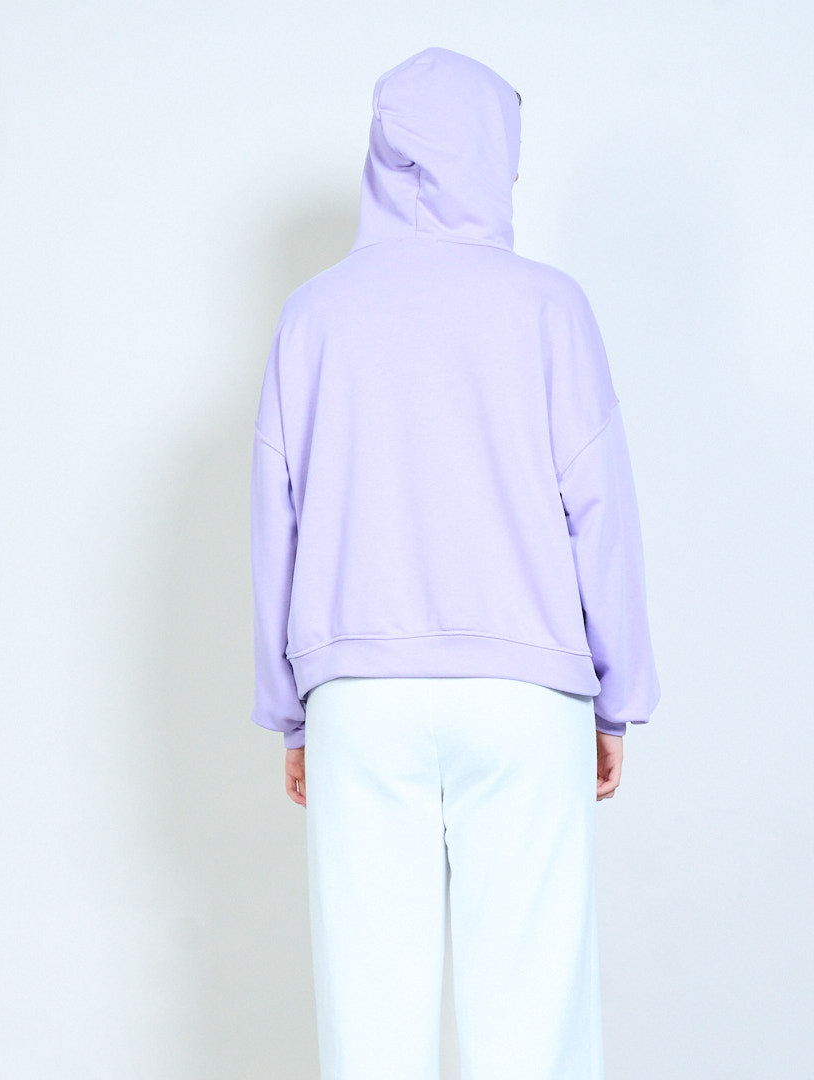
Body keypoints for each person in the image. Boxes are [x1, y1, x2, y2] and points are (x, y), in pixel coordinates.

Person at [250, 45, 660, 1080]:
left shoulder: (313, 316)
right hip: (525, 696)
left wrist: (293, 710)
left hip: (360, 699)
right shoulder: (548, 307)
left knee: (368, 1019)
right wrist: (616, 698)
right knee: (533, 1016)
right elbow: (600, 509)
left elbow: (275, 524)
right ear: (486, 156)